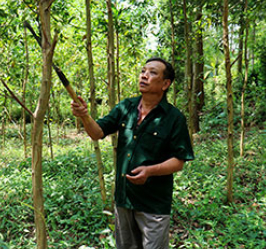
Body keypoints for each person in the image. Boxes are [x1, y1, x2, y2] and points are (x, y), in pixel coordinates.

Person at [71, 57, 194, 249]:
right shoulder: (125, 108)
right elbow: (97, 133)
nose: (144, 75)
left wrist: (150, 171)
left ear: (165, 84)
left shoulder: (174, 118)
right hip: (124, 199)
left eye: (153, 73)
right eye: (143, 71)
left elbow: (179, 161)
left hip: (154, 205)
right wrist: (85, 116)